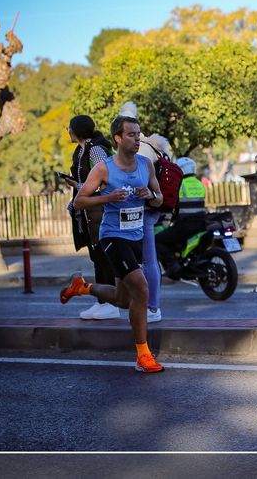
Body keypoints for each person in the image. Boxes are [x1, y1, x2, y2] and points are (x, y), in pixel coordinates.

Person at [61, 115, 165, 373]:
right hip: (112, 236)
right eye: (131, 134)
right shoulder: (104, 168)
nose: (137, 138)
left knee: (122, 299)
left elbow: (160, 199)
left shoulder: (145, 165)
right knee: (141, 289)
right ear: (118, 138)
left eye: (139, 134)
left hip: (136, 236)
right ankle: (143, 355)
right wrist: (107, 198)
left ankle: (82, 287)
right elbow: (80, 201)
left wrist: (150, 195)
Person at [119, 101, 172, 323]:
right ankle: (145, 305)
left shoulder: (140, 150)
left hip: (143, 210)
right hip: (149, 209)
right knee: (144, 260)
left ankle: (152, 307)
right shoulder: (154, 144)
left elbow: (140, 184)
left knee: (148, 260)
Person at [65, 115, 119, 320]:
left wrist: (78, 186)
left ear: (77, 130)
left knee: (103, 257)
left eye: (69, 128)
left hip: (100, 210)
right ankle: (102, 301)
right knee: (96, 257)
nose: (68, 131)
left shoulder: (95, 149)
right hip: (88, 212)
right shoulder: (80, 150)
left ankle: (111, 303)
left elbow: (103, 180)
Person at [156, 156, 208, 280]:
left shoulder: (180, 184)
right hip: (201, 223)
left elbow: (172, 204)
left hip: (185, 225)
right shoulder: (200, 185)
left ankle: (172, 265)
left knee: (157, 240)